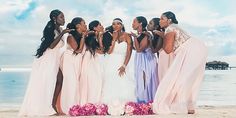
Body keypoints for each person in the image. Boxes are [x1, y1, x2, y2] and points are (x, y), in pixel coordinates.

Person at [152, 11, 208, 114]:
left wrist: (163, 36)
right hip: (198, 47)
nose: (159, 21)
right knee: (191, 79)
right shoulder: (176, 27)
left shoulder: (169, 29)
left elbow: (168, 50)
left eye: (162, 19)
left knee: (179, 78)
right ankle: (189, 106)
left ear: (169, 20)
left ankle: (178, 106)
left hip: (189, 51)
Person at [19, 9, 71, 116]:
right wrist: (62, 34)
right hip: (48, 59)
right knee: (48, 82)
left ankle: (52, 104)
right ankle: (48, 106)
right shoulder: (50, 28)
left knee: (59, 80)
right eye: (61, 17)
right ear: (54, 18)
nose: (64, 19)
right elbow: (51, 46)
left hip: (55, 59)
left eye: (64, 17)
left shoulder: (60, 29)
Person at [101, 18, 136, 115]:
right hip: (111, 61)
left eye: (118, 24)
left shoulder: (127, 36)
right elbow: (109, 52)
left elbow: (129, 51)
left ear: (121, 25)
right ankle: (110, 106)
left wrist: (124, 65)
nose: (115, 26)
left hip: (122, 61)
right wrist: (114, 39)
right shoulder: (110, 36)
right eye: (113, 24)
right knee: (111, 82)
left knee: (123, 81)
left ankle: (124, 106)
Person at [60, 17, 87, 114]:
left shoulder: (80, 35)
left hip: (77, 61)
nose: (86, 25)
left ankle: (76, 106)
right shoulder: (71, 36)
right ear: (78, 26)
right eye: (84, 23)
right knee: (71, 82)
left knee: (76, 83)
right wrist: (84, 36)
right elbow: (78, 50)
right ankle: (68, 107)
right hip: (70, 60)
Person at [131, 16, 158, 103]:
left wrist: (134, 37)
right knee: (139, 79)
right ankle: (141, 100)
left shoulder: (146, 34)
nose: (132, 24)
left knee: (146, 79)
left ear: (140, 23)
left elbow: (139, 49)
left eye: (134, 22)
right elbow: (136, 48)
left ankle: (147, 101)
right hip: (139, 59)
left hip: (147, 60)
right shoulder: (139, 35)